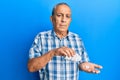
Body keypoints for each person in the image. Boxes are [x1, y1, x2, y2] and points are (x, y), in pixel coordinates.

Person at [28, 2, 103, 80]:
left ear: (70, 20)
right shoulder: (41, 37)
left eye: (67, 16)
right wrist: (53, 52)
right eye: (59, 15)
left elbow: (82, 62)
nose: (63, 20)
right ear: (52, 19)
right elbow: (31, 67)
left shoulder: (77, 39)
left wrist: (83, 66)